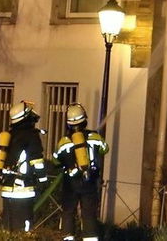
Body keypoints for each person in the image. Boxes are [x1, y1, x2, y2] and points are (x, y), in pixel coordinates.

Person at [53, 102, 109, 241]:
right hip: (89, 181)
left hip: (70, 183)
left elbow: (56, 160)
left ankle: (68, 237)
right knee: (89, 214)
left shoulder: (64, 141)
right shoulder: (95, 137)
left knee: (68, 212)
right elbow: (105, 149)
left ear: (68, 123)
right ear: (85, 119)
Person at [0, 99, 51, 232]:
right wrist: (43, 180)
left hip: (7, 188)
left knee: (8, 226)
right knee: (23, 227)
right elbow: (37, 161)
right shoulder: (31, 136)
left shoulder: (9, 135)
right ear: (26, 117)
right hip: (23, 189)